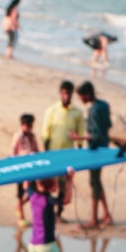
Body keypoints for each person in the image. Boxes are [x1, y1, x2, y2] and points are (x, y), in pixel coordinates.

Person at [71, 81, 113, 229]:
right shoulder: (104, 105)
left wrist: (78, 138)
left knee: (94, 183)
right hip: (104, 148)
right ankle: (106, 214)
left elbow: (95, 135)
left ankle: (93, 220)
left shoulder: (94, 110)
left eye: (81, 96)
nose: (80, 99)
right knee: (97, 180)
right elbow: (108, 126)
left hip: (95, 150)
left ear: (87, 94)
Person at [41, 80, 84, 223]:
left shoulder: (76, 113)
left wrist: (79, 150)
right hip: (53, 153)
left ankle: (58, 213)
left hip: (68, 154)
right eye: (63, 93)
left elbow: (80, 133)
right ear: (60, 93)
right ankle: (49, 212)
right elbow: (45, 132)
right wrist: (45, 153)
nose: (65, 96)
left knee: (64, 185)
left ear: (72, 94)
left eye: (68, 93)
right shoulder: (52, 110)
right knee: (50, 184)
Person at [11, 113, 40, 225]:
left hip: (31, 166)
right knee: (20, 191)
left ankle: (19, 206)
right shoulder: (18, 136)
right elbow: (13, 150)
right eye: (26, 125)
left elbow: (36, 148)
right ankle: (21, 217)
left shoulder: (32, 136)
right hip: (21, 166)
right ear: (22, 125)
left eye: (30, 125)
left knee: (33, 190)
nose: (28, 127)